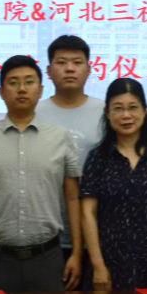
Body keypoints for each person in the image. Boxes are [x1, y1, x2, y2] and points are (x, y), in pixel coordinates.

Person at [0, 55, 83, 291]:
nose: (22, 89)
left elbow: (72, 197)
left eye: (29, 82)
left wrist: (77, 253)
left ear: (41, 90)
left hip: (47, 257)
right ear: (1, 92)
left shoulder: (60, 137)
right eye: (13, 82)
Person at [80, 78, 147, 290]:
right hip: (109, 261)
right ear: (107, 113)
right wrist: (98, 265)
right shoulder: (97, 157)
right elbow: (87, 213)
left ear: (144, 111)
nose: (126, 115)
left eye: (133, 107)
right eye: (118, 108)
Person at [35, 34, 104, 259]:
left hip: (98, 229)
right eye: (62, 62)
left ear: (89, 69)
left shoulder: (106, 112)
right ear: (49, 70)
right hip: (46, 232)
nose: (70, 69)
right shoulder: (34, 113)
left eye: (77, 62)